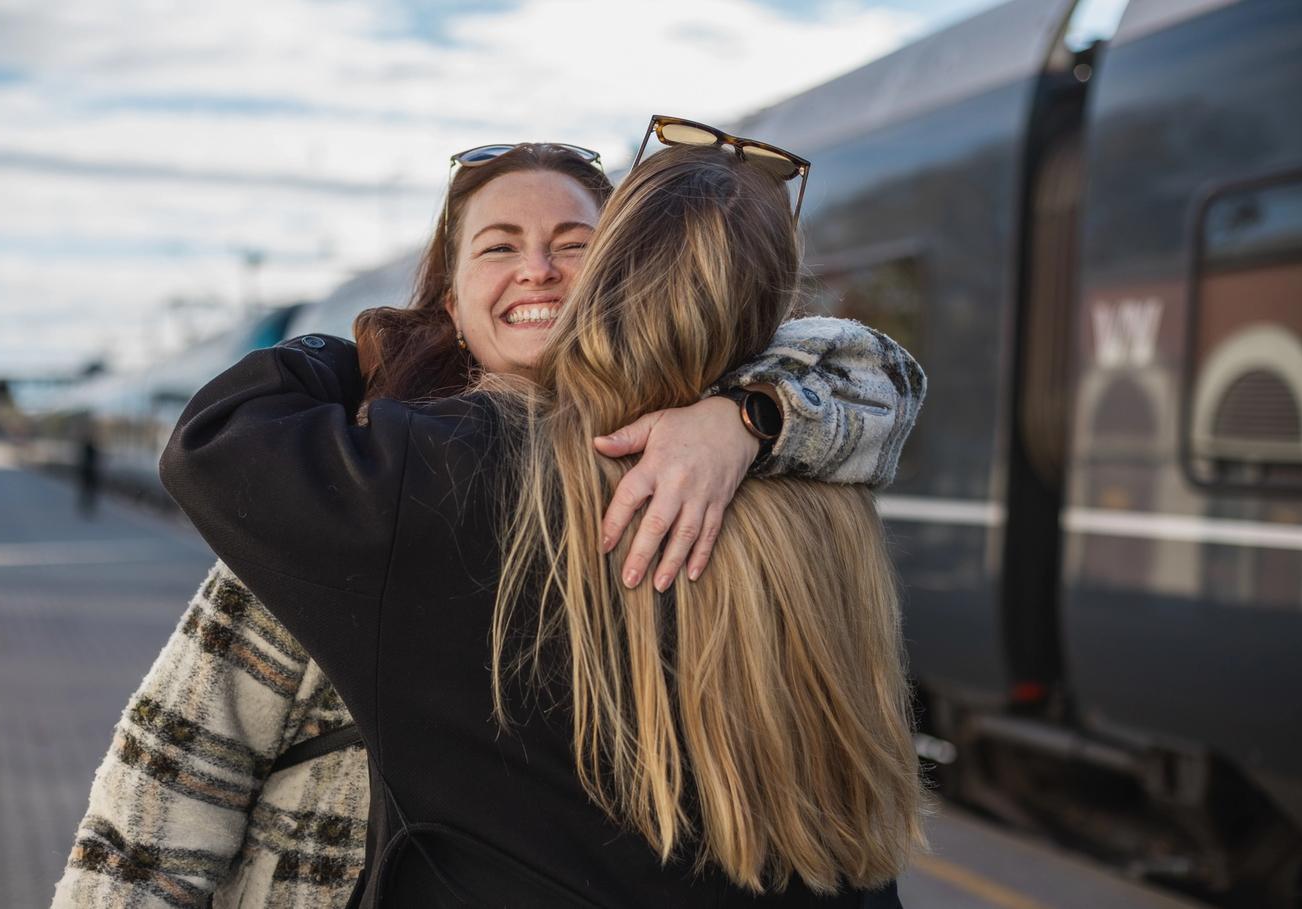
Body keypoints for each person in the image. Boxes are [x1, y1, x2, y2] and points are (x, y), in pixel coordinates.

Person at [55, 141, 925, 907]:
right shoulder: (362, 478)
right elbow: (171, 785)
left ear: (625, 276)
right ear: (450, 300)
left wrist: (750, 417)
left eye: (575, 246)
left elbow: (874, 366)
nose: (539, 270)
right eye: (498, 248)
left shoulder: (736, 447)